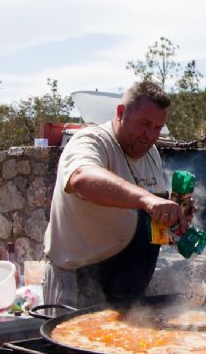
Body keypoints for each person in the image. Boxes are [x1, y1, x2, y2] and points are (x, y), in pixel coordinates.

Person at [43, 80, 187, 309]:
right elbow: (81, 178)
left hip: (128, 287)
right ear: (121, 112)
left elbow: (148, 218)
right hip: (80, 283)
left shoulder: (151, 153)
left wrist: (174, 219)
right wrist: (147, 200)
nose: (150, 135)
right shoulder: (92, 140)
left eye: (158, 127)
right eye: (144, 123)